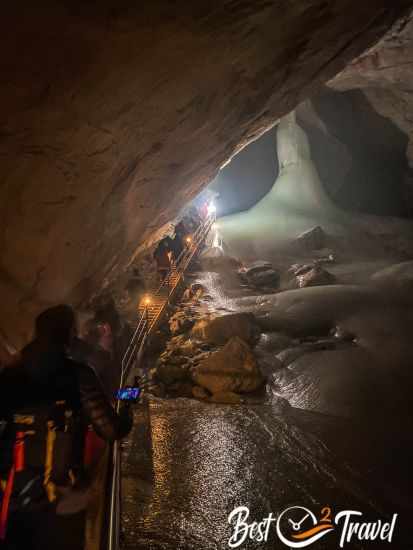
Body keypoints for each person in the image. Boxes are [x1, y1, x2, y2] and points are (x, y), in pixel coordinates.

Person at [0, 305, 132, 550]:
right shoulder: (78, 374)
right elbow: (111, 429)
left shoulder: (10, 374)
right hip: (60, 497)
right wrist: (127, 411)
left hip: (11, 490)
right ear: (68, 334)